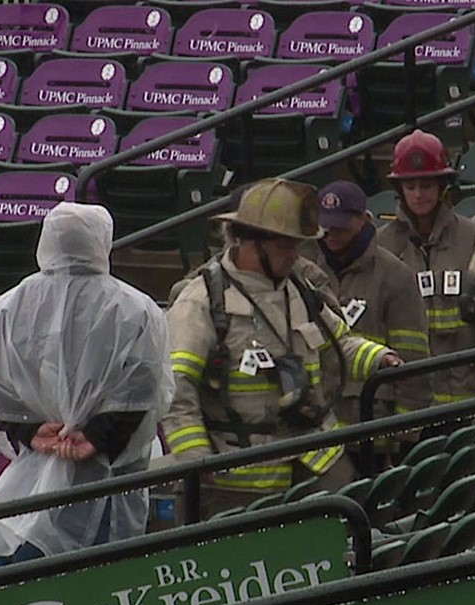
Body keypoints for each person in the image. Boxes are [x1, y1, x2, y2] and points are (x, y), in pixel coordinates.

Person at [0, 202, 174, 561]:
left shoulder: (12, 305)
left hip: (33, 487)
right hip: (110, 485)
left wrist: (29, 431)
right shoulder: (135, 309)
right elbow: (143, 387)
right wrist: (96, 435)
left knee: (32, 593)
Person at [161, 178, 402, 517]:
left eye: (296, 246)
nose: (294, 255)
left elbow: (340, 343)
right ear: (248, 241)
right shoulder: (201, 301)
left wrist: (380, 359)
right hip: (236, 483)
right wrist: (194, 459)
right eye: (284, 247)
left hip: (316, 463)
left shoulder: (300, 289)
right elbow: (174, 387)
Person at [377, 129, 475, 409]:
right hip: (408, 411)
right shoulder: (382, 246)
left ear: (443, 186)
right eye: (410, 186)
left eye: (427, 185)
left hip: (468, 407)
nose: (418, 195)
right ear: (399, 189)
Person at [301, 181, 432, 470]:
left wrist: (405, 436)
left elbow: (413, 363)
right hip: (318, 428)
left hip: (372, 429)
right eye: (326, 226)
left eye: (341, 226)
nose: (331, 234)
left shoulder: (395, 276)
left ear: (365, 219)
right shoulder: (301, 267)